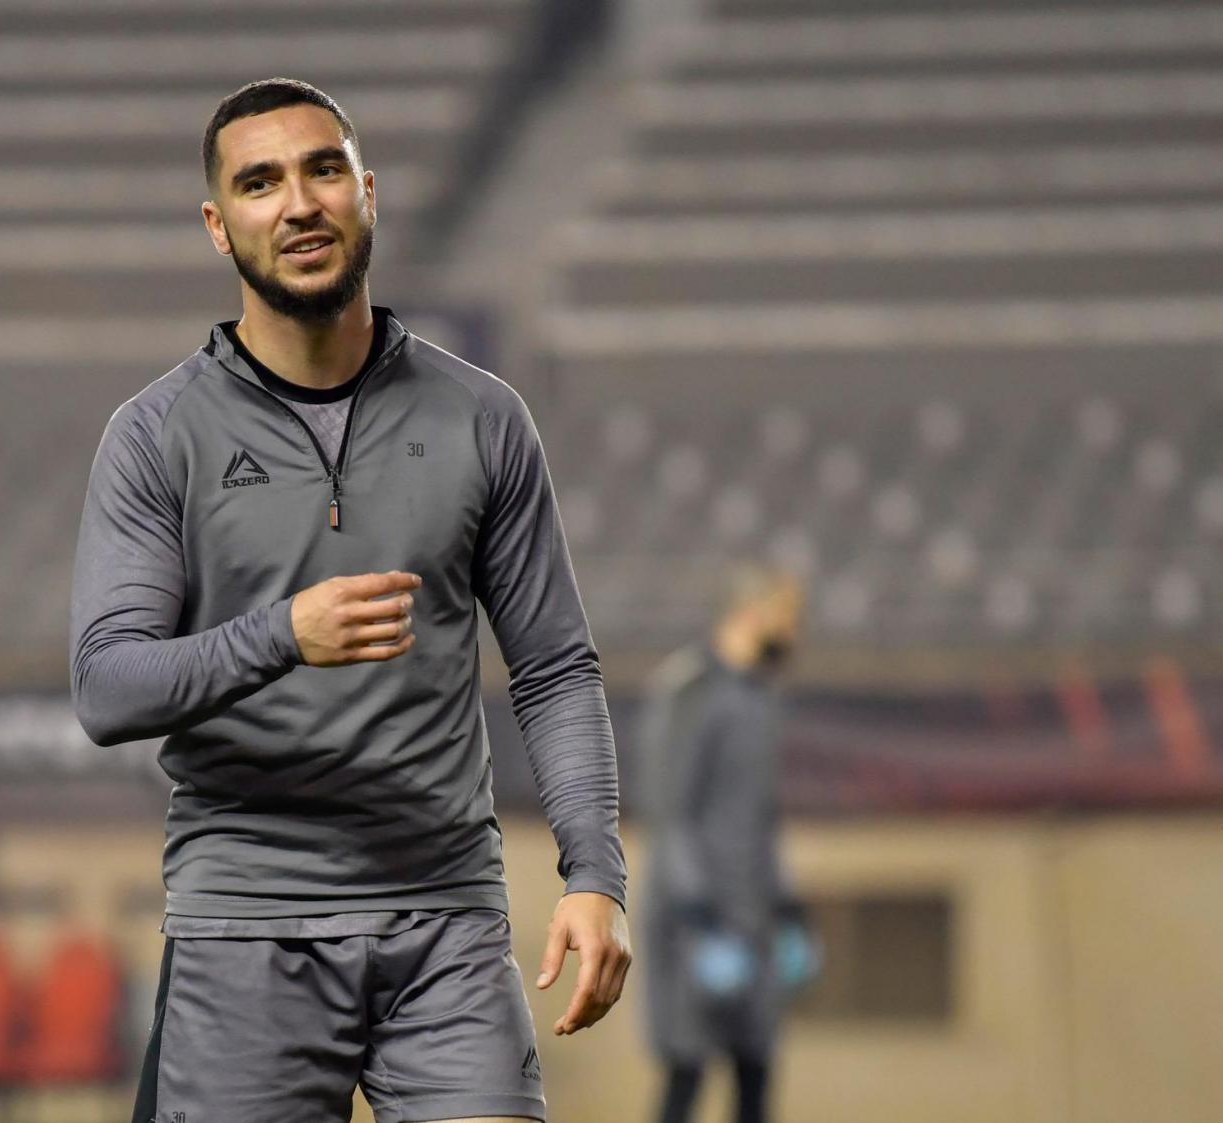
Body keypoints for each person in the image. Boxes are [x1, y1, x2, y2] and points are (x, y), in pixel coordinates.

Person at [69, 78, 630, 1123]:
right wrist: (282, 634)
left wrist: (594, 873)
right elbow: (107, 686)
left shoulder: (481, 417)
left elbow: (554, 668)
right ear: (218, 224)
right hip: (245, 926)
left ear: (366, 193)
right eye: (259, 183)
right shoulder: (156, 436)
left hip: (446, 924)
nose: (298, 203)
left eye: (322, 169)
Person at [636, 566, 812, 1123]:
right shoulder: (689, 690)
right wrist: (700, 915)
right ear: (752, 613)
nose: (794, 632)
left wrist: (787, 908)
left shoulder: (762, 698)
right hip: (697, 923)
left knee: (756, 1071)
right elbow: (670, 811)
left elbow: (763, 817)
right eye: (787, 617)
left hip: (753, 918)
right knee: (686, 1073)